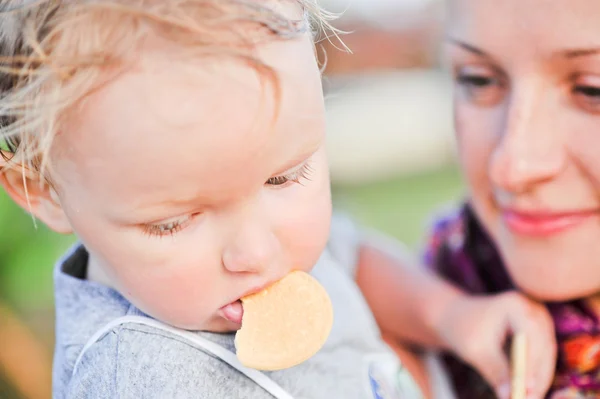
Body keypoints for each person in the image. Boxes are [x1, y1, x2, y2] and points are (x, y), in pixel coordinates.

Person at [0, 0, 552, 397]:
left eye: (285, 178)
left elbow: (348, 256)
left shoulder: (260, 241)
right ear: (44, 191)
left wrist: (451, 316)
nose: (257, 253)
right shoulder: (143, 378)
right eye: (174, 223)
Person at [419, 0, 600, 398]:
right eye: (479, 80)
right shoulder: (454, 269)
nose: (512, 166)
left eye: (593, 89)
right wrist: (442, 313)